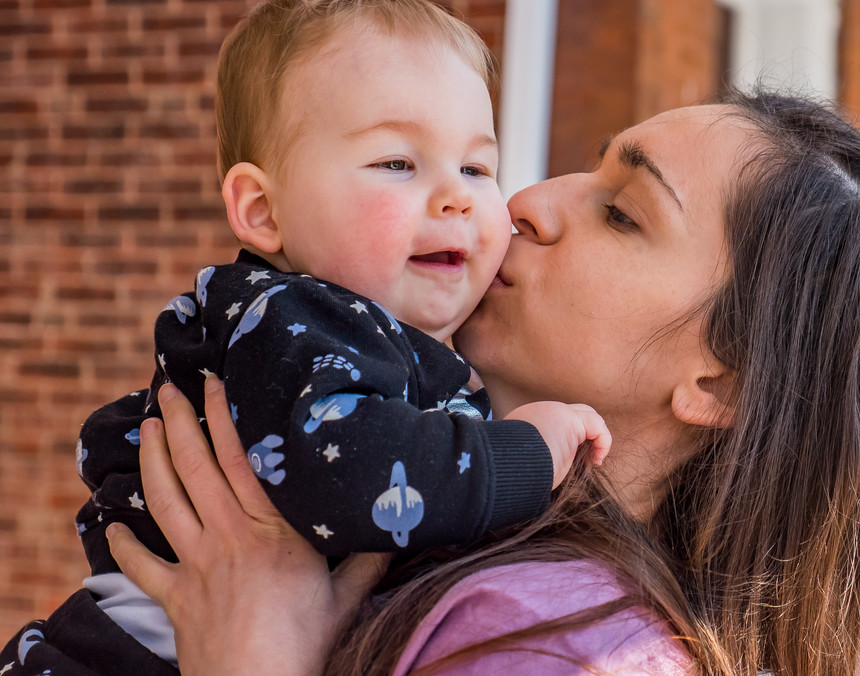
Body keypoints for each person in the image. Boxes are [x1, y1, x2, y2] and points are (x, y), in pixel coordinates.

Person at [7, 91, 860, 675]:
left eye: (624, 212)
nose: (531, 202)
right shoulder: (423, 517)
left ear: (721, 378)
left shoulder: (576, 653)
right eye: (585, 169)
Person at [0, 0, 608, 671]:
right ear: (263, 213)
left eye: (475, 168)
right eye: (397, 163)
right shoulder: (292, 318)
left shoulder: (361, 336)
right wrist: (527, 451)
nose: (456, 198)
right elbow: (355, 470)